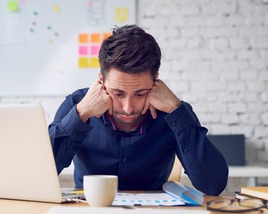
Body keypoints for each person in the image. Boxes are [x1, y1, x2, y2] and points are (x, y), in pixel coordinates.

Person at [48, 25, 228, 196]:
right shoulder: (78, 103)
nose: (128, 108)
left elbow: (213, 185)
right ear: (101, 80)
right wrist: (81, 113)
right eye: (118, 93)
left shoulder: (174, 111)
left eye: (140, 93)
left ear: (155, 81)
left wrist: (176, 109)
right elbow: (40, 172)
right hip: (89, 212)